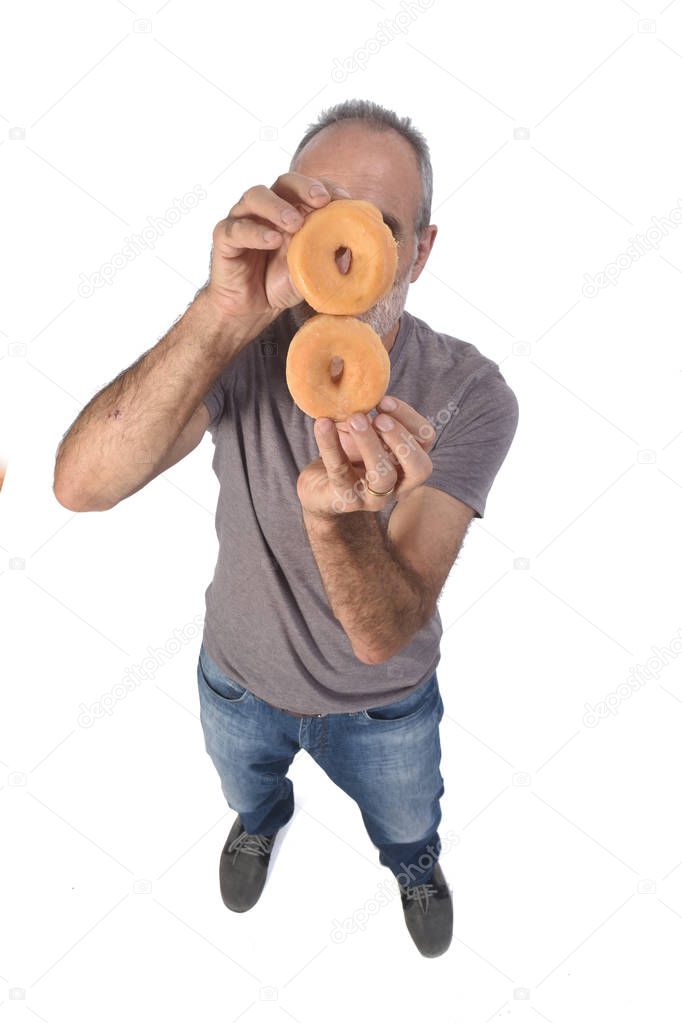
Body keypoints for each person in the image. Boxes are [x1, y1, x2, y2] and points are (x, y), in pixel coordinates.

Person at [53, 99, 519, 958]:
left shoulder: (469, 392)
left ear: (419, 250)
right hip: (237, 680)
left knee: (409, 816)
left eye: (379, 223)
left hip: (386, 711)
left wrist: (332, 519)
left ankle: (414, 862)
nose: (347, 244)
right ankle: (260, 823)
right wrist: (224, 311)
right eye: (322, 209)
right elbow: (80, 485)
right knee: (249, 787)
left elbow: (384, 632)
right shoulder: (244, 345)